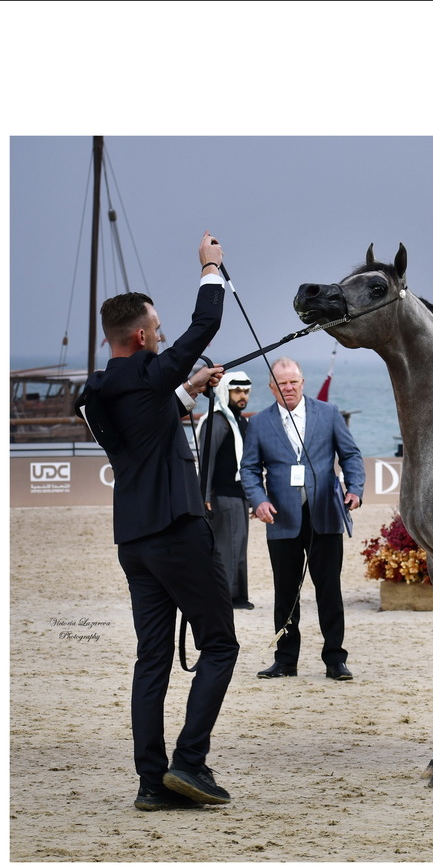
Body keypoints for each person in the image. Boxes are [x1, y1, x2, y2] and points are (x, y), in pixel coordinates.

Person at [75, 231, 240, 812]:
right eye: (158, 330)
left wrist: (186, 389)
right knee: (220, 645)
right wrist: (210, 267)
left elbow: (145, 428)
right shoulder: (149, 372)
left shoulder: (100, 390)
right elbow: (206, 323)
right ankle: (189, 763)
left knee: (152, 660)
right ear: (142, 337)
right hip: (177, 530)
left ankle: (151, 782)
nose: (164, 337)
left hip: (134, 540)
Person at [240, 356, 365, 682]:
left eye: (294, 382)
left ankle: (335, 660)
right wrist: (259, 500)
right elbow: (249, 469)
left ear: (302, 383)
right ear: (272, 388)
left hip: (325, 513)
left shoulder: (329, 413)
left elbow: (351, 455)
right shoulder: (259, 423)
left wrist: (355, 489)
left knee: (329, 590)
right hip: (281, 518)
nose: (289, 388)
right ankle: (285, 660)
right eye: (282, 383)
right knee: (285, 594)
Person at [198, 370, 254, 610]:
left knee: (239, 545)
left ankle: (238, 595)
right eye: (237, 391)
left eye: (246, 391)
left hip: (240, 494)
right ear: (225, 392)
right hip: (222, 495)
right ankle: (227, 597)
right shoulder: (217, 421)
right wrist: (205, 496)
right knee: (228, 546)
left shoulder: (241, 421)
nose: (243, 396)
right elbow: (206, 461)